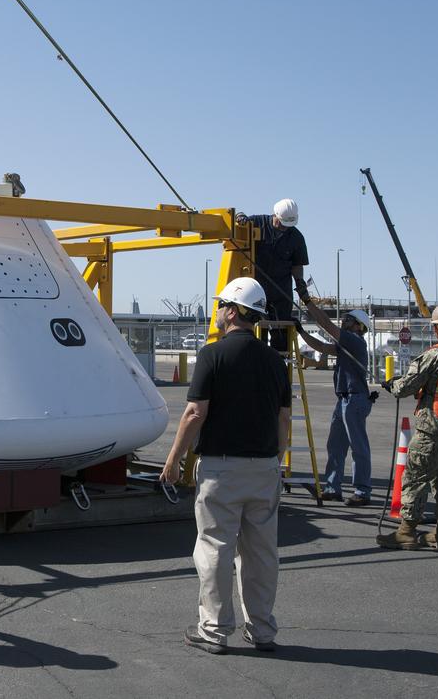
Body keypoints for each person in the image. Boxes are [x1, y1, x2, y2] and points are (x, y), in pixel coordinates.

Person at [161, 277, 291, 655]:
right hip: (265, 468)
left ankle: (215, 631)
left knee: (216, 549)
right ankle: (263, 629)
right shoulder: (274, 361)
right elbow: (284, 418)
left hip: (222, 470)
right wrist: (276, 460)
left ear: (232, 311)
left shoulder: (212, 355)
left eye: (220, 305)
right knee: (262, 553)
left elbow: (194, 413)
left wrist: (174, 460)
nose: (216, 312)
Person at [376, 302, 438, 552]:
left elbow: (405, 387)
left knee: (416, 477)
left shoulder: (435, 354)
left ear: (436, 328)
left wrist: (393, 385)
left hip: (434, 426)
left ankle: (406, 532)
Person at [296, 300, 376, 506]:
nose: (344, 321)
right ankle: (333, 488)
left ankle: (362, 491)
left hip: (354, 399)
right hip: (344, 400)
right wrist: (301, 332)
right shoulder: (346, 344)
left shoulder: (355, 341)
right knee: (336, 446)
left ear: (359, 326)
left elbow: (326, 325)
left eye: (349, 320)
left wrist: (307, 302)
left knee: (359, 447)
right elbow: (322, 346)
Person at [236, 199, 308, 352]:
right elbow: (238, 223)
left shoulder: (296, 238)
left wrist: (300, 285)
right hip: (255, 290)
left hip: (281, 291)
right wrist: (240, 217)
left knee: (281, 332)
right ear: (275, 215)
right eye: (282, 223)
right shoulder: (257, 222)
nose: (284, 228)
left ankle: (280, 365)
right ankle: (256, 361)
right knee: (254, 327)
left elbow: (297, 265)